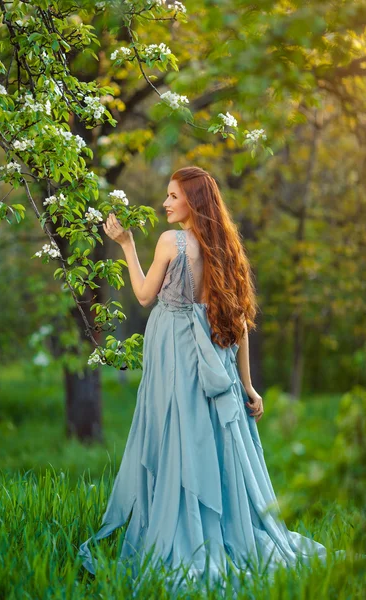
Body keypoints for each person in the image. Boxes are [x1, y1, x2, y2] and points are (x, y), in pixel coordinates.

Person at [78, 165, 329, 590]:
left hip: (175, 351)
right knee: (210, 436)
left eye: (173, 196)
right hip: (216, 357)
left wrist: (126, 245)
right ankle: (223, 522)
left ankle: (181, 526)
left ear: (192, 201)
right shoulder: (225, 249)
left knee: (174, 432)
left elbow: (142, 294)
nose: (165, 203)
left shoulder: (170, 242)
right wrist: (247, 385)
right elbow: (240, 324)